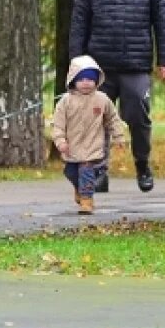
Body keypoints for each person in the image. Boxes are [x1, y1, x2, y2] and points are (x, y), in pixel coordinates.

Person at [68, 0, 165, 193]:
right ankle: (98, 172)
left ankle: (142, 163)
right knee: (95, 119)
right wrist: (77, 64)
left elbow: (163, 21)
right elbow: (79, 23)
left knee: (138, 115)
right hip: (98, 67)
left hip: (135, 65)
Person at [52, 55, 126, 215]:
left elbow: (113, 119)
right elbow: (57, 125)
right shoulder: (65, 102)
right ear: (73, 80)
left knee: (86, 171)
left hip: (93, 146)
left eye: (90, 79)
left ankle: (87, 201)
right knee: (71, 172)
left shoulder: (102, 100)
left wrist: (119, 136)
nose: (86, 83)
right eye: (81, 79)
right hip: (72, 147)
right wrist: (60, 141)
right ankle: (80, 189)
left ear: (96, 80)